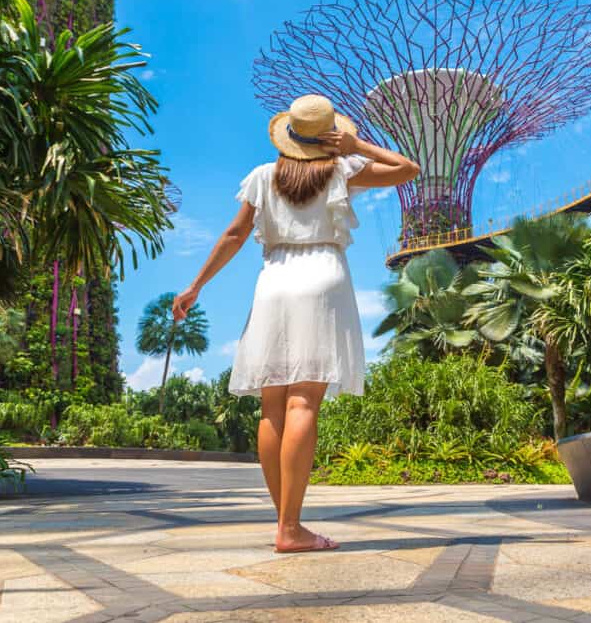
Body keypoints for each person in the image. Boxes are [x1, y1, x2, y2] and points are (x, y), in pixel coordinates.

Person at [172, 94, 419, 553]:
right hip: (323, 277)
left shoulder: (263, 177)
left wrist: (195, 286)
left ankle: (287, 523)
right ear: (329, 135)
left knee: (273, 405)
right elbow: (408, 169)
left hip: (275, 281)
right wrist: (358, 145)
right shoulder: (344, 170)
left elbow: (234, 234)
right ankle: (290, 528)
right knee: (304, 402)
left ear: (289, 135)